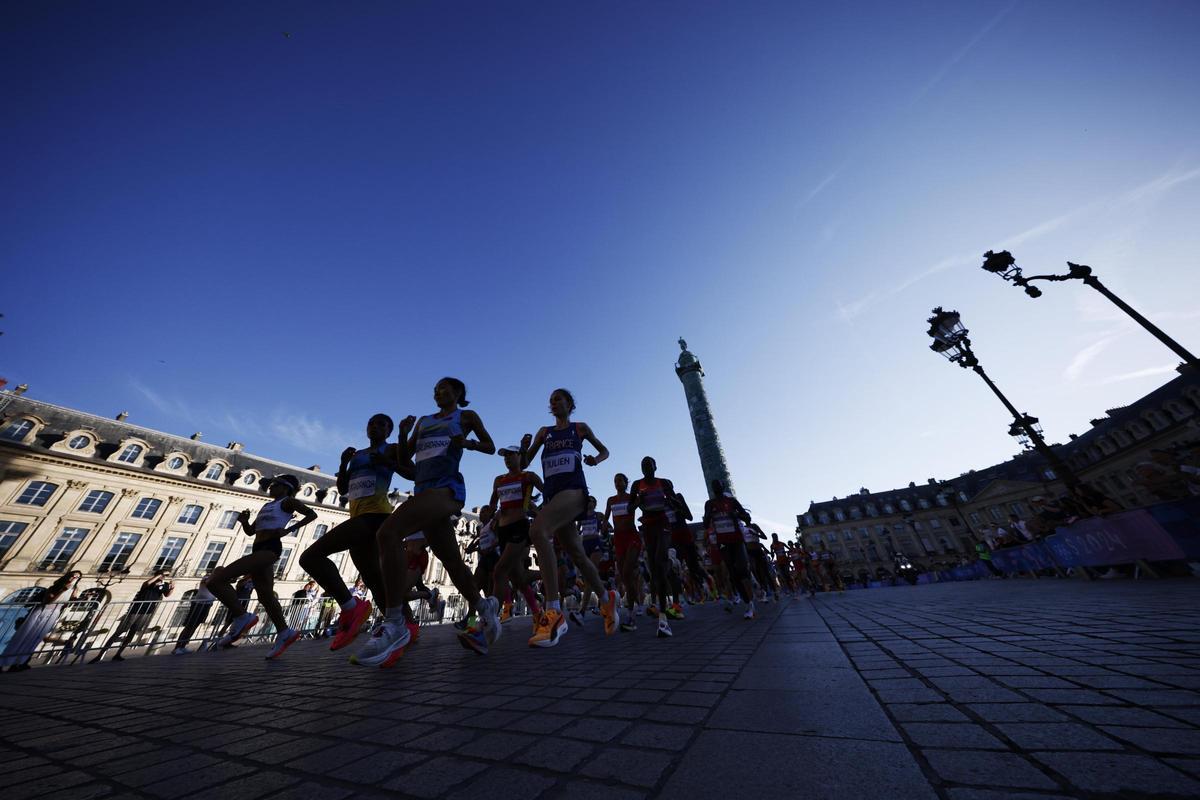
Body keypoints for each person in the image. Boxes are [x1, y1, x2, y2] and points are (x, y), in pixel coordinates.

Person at [355, 377, 500, 667]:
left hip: (447, 489)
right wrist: (405, 432)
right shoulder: (423, 421)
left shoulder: (466, 416)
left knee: (388, 533)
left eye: (444, 388)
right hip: (422, 490)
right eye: (435, 389)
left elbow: (490, 446)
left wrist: (467, 442)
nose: (438, 393)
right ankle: (485, 609)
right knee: (452, 563)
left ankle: (394, 622)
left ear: (457, 393)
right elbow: (407, 459)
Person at [299, 413, 412, 651]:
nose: (375, 427)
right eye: (372, 423)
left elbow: (410, 471)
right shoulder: (358, 455)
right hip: (358, 516)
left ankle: (351, 607)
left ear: (389, 431)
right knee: (375, 580)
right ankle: (408, 626)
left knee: (310, 556)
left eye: (382, 424)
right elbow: (342, 489)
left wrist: (388, 463)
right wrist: (342, 463)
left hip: (376, 516)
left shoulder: (390, 449)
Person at [519, 388, 619, 647]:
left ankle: (553, 612)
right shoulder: (544, 432)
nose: (553, 403)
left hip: (574, 491)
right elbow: (523, 464)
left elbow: (605, 450)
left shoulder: (580, 428)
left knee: (538, 531)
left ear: (569, 404)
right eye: (551, 400)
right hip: (553, 497)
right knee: (576, 553)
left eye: (558, 399)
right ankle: (606, 599)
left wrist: (595, 460)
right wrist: (523, 447)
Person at [208, 474, 318, 658]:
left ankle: (242, 616)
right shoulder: (267, 506)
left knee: (216, 580)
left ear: (285, 488)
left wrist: (288, 530)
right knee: (265, 596)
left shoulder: (288, 502)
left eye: (275, 485)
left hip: (270, 549)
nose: (270, 487)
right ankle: (284, 632)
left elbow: (312, 514)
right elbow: (252, 532)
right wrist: (244, 522)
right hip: (258, 547)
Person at [486, 446, 544, 625]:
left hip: (520, 527)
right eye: (505, 456)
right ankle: (537, 613)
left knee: (499, 570)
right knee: (517, 577)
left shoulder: (528, 477)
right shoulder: (499, 480)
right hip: (503, 530)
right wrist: (493, 519)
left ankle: (490, 620)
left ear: (520, 456)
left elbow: (548, 493)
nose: (507, 458)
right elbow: (493, 504)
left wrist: (537, 511)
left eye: (511, 455)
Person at [2, 571, 81, 671]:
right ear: (68, 577)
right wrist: (62, 590)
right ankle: (3, 662)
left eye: (77, 577)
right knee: (22, 637)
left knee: (34, 640)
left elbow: (66, 604)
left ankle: (19, 663)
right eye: (73, 576)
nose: (74, 578)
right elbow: (48, 601)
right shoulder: (56, 587)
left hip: (53, 614)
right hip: (41, 612)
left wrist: (76, 599)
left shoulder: (73, 589)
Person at [90, 569, 174, 663]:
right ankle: (101, 654)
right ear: (158, 575)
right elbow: (146, 583)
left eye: (165, 576)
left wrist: (172, 588)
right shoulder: (149, 583)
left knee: (132, 633)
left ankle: (118, 654)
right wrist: (159, 575)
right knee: (120, 631)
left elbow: (167, 595)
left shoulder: (165, 584)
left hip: (147, 611)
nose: (164, 577)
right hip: (135, 610)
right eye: (162, 575)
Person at [703, 479, 756, 619]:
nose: (715, 486)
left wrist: (737, 515)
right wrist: (708, 515)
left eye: (718, 484)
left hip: (737, 540)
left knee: (742, 569)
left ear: (723, 485)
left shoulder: (732, 502)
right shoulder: (709, 504)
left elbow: (747, 518)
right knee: (733, 574)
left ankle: (751, 601)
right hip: (723, 543)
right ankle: (747, 602)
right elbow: (705, 524)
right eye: (713, 484)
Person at [605, 473, 643, 632]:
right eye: (615, 480)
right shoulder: (611, 500)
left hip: (632, 536)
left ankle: (631, 614)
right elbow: (606, 518)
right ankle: (636, 603)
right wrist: (604, 527)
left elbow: (644, 507)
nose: (617, 483)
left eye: (620, 480)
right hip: (618, 539)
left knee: (627, 571)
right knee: (624, 575)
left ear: (626, 483)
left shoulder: (631, 497)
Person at [172, 578, 215, 655]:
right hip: (198, 604)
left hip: (207, 605)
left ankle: (183, 646)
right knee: (189, 626)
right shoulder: (207, 578)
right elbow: (207, 583)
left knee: (195, 626)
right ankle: (177, 648)